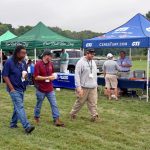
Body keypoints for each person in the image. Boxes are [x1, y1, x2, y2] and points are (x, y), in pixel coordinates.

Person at [2, 45, 35, 134]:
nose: (24, 55)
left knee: (17, 107)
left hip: (21, 87)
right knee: (20, 106)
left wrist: (26, 75)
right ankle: (27, 126)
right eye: (22, 53)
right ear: (17, 53)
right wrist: (11, 88)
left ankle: (13, 124)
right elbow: (5, 75)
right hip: (14, 88)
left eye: (25, 53)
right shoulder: (9, 62)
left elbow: (24, 74)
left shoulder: (23, 62)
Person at [34, 50, 64, 127]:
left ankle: (56, 119)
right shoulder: (38, 64)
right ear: (45, 56)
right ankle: (36, 116)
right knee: (39, 104)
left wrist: (53, 76)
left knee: (54, 104)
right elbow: (36, 77)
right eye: (50, 56)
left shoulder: (51, 64)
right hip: (40, 89)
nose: (51, 57)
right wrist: (47, 77)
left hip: (50, 88)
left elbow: (52, 73)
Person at [70, 49, 98, 122]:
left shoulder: (93, 62)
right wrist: (78, 87)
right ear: (87, 53)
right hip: (84, 87)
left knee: (93, 102)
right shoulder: (80, 62)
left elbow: (94, 74)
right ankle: (73, 113)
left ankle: (94, 115)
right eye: (91, 54)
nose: (92, 55)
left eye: (93, 54)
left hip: (93, 86)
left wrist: (96, 84)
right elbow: (77, 75)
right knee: (80, 102)